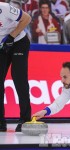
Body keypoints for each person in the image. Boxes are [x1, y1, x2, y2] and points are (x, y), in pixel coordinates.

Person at [0, 2, 31, 132]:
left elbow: (27, 18)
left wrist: (11, 36)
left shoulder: (4, 8)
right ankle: (1, 122)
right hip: (2, 46)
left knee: (19, 78)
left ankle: (25, 119)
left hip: (18, 41)